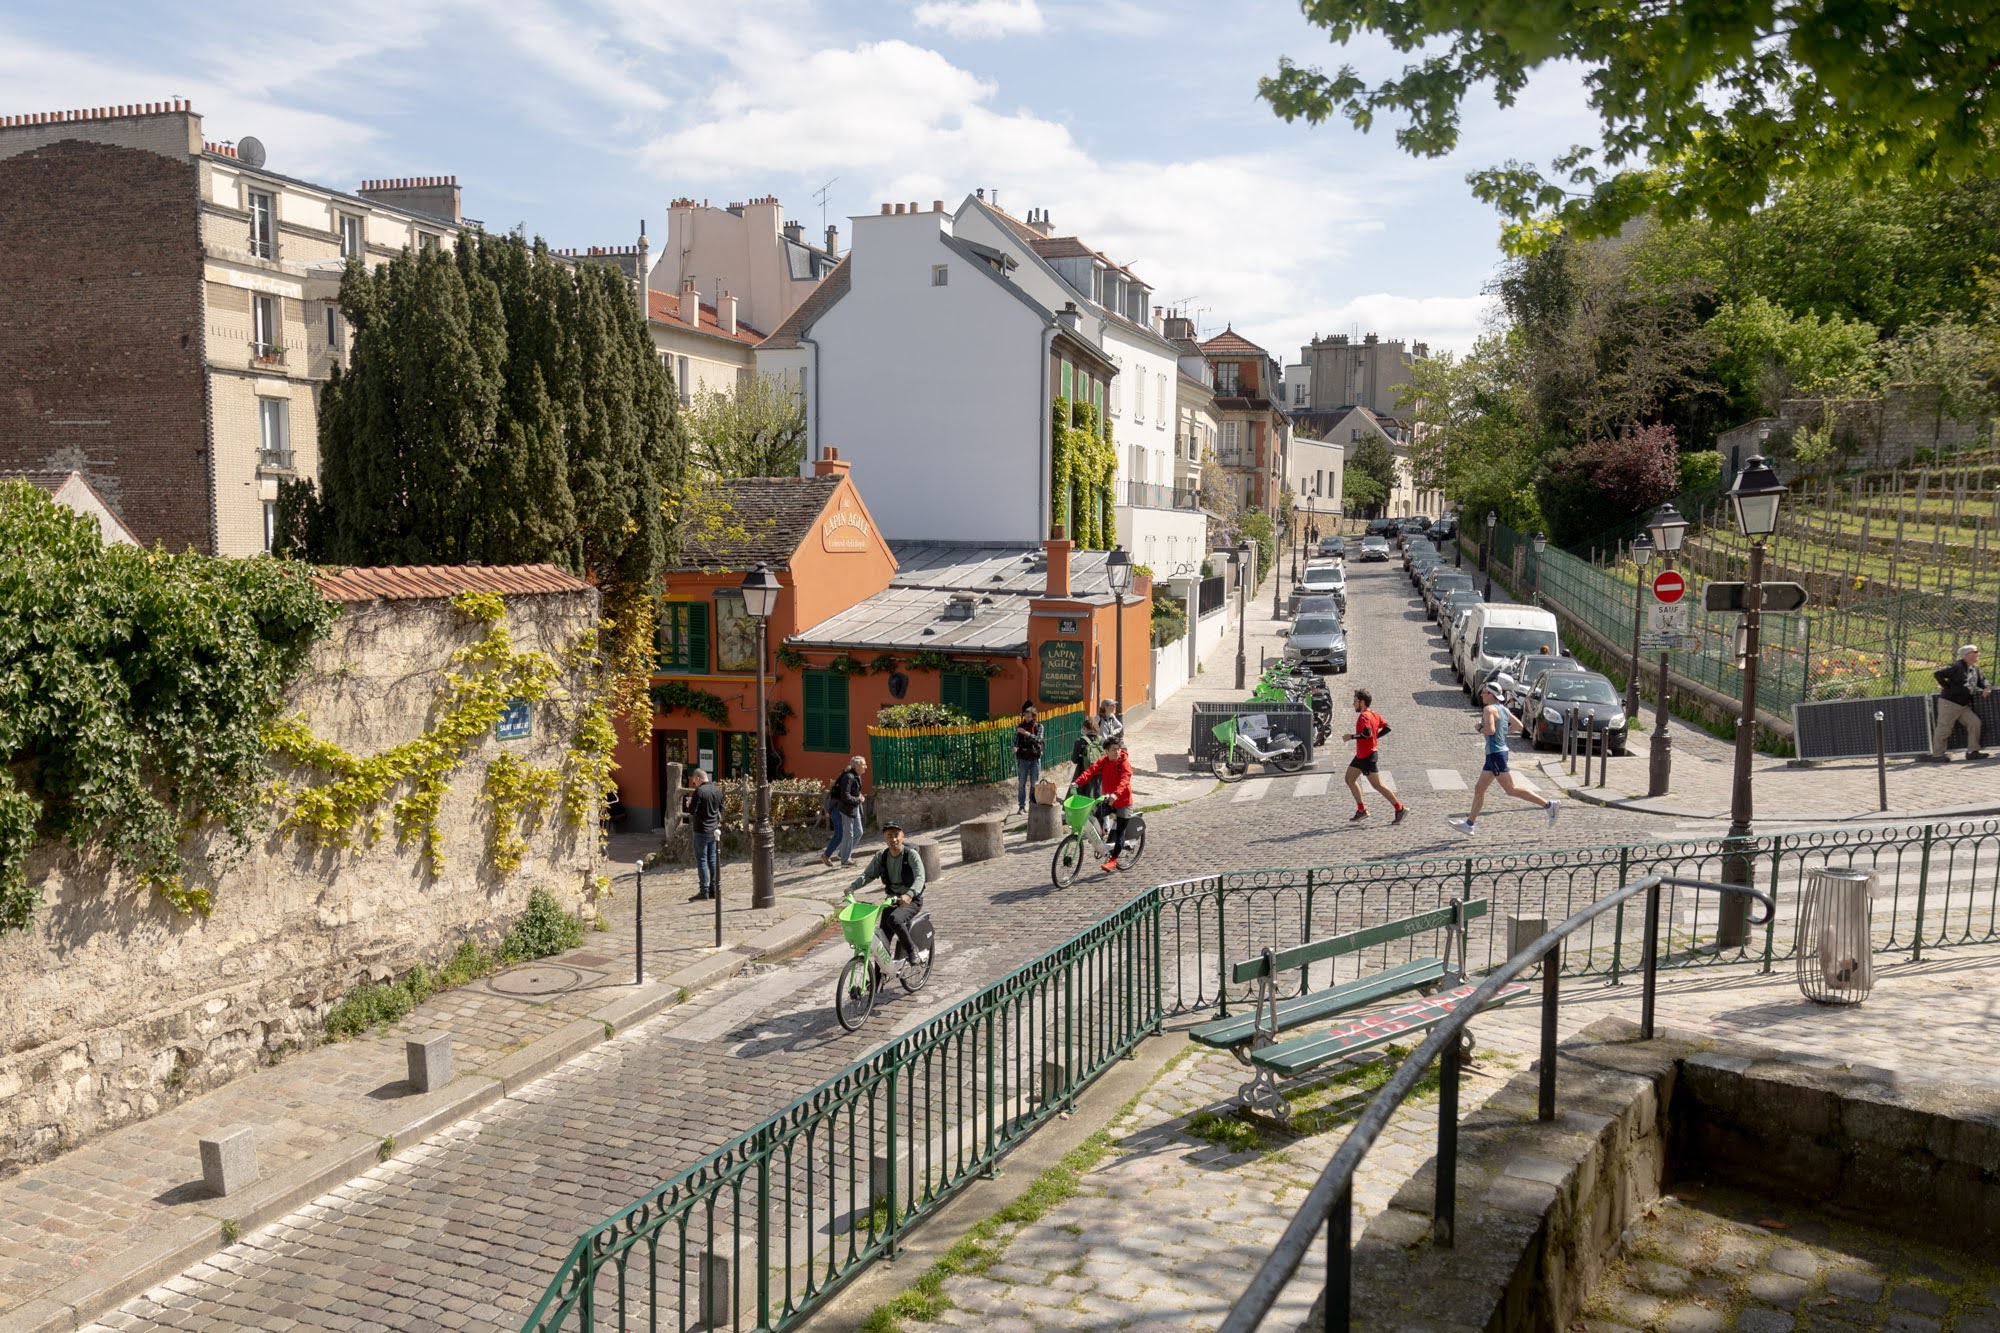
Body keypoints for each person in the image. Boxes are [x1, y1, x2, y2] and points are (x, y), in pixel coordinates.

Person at [1448, 676, 1558, 836]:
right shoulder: (1503, 709)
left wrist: (1479, 728)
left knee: (1511, 789)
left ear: (1491, 695)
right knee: (1479, 789)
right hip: (1496, 753)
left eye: (1484, 692)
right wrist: (1502, 733)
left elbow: (1490, 730)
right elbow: (1519, 726)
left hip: (1496, 754)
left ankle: (1549, 805)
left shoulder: (1489, 710)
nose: (1482, 695)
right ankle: (1469, 824)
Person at [851, 821, 927, 967]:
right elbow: (868, 875)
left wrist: (909, 894)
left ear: (902, 836)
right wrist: (852, 887)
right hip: (891, 900)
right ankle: (877, 982)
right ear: (884, 839)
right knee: (881, 942)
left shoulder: (911, 855)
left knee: (894, 920)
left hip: (912, 900)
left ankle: (912, 949)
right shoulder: (882, 856)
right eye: (889, 836)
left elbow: (920, 877)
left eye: (896, 835)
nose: (894, 839)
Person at [1071, 735, 1135, 872]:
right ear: (1106, 751)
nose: (1116, 752)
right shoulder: (1104, 761)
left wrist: (1116, 794)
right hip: (1108, 799)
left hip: (1123, 801)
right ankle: (1100, 836)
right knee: (1096, 813)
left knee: (1120, 833)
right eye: (1113, 749)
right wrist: (1078, 782)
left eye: (1118, 749)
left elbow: (1125, 780)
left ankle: (1113, 860)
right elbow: (1090, 771)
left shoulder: (1124, 763)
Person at [1343, 687, 1407, 824]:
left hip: (1367, 756)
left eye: (1355, 701)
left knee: (1378, 785)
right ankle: (1361, 810)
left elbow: (1367, 733)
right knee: (1349, 779)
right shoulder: (1374, 714)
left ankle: (1400, 808)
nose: (1353, 704)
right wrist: (1375, 738)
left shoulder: (1364, 716)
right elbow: (1387, 727)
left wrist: (1352, 736)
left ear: (1362, 702)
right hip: (1361, 755)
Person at [1926, 644, 1991, 761]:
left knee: (1974, 723)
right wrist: (1947, 687)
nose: (1978, 654)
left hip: (1963, 705)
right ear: (1967, 655)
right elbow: (1938, 673)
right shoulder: (1957, 666)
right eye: (1975, 652)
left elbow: (1982, 680)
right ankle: (1938, 755)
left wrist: (1986, 687)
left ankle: (1972, 752)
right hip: (1949, 703)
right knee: (1944, 728)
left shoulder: (1975, 668)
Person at [684, 768, 724, 901]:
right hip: (713, 829)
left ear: (698, 778)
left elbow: (692, 811)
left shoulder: (699, 791)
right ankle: (714, 889)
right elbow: (721, 809)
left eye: (694, 781)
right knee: (712, 860)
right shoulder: (716, 790)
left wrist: (689, 803)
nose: (694, 784)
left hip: (701, 829)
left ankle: (704, 891)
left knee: (702, 860)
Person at [822, 756, 866, 867]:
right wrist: (858, 799)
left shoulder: (857, 776)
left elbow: (854, 792)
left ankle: (843, 854)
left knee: (859, 832)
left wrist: (859, 796)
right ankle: (845, 860)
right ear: (856, 766)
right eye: (863, 764)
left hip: (854, 808)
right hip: (846, 809)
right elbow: (845, 796)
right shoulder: (848, 777)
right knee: (848, 834)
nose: (866, 766)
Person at [1014, 703, 1045, 814]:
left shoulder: (1039, 727)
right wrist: (1015, 747)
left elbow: (1038, 739)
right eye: (1025, 716)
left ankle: (1032, 803)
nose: (1026, 718)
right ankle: (1021, 807)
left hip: (1035, 759)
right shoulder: (1019, 727)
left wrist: (1026, 733)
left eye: (1029, 716)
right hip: (1023, 759)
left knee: (1034, 783)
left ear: (1033, 717)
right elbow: (1016, 739)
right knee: (1022, 783)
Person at [1071, 715, 1105, 796]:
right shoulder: (1102, 740)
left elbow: (1074, 760)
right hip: (1099, 773)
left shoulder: (1080, 741)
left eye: (1083, 728)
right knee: (1098, 794)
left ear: (1085, 729)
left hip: (1083, 771)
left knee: (1083, 796)